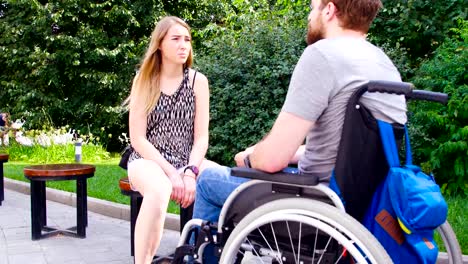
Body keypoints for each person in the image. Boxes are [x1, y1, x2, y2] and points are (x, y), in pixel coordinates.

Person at [193, 0, 407, 228]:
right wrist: (291, 153)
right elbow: (349, 151)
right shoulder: (385, 65)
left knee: (208, 180)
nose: (309, 16)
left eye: (312, 8)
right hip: (365, 204)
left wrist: (249, 158)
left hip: (316, 203)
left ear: (329, 10)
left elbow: (271, 161)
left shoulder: (322, 55)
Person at [125, 16, 217, 264]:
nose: (183, 45)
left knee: (222, 181)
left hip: (188, 158)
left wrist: (189, 172)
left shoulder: (199, 82)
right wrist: (172, 174)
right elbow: (138, 139)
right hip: (148, 160)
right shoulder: (144, 81)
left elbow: (201, 138)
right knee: (160, 188)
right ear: (160, 45)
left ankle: (205, 257)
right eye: (175, 39)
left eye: (187, 39)